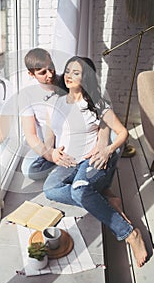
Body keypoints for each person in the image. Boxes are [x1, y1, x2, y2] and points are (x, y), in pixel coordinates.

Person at [43, 55, 147, 267]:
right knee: (50, 190)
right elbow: (51, 132)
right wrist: (52, 151)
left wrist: (107, 149)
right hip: (68, 163)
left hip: (91, 161)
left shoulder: (97, 104)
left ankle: (130, 234)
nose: (70, 76)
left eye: (76, 73)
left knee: (79, 191)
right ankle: (105, 201)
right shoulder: (57, 101)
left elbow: (122, 132)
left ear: (86, 77)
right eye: (68, 70)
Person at [19, 48, 117, 182]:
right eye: (42, 73)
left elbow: (99, 110)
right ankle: (68, 170)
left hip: (81, 136)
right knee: (29, 170)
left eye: (51, 68)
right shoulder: (26, 95)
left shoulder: (67, 81)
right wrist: (50, 154)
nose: (50, 74)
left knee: (114, 140)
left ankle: (97, 184)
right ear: (31, 74)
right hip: (50, 144)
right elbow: (30, 135)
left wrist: (102, 142)